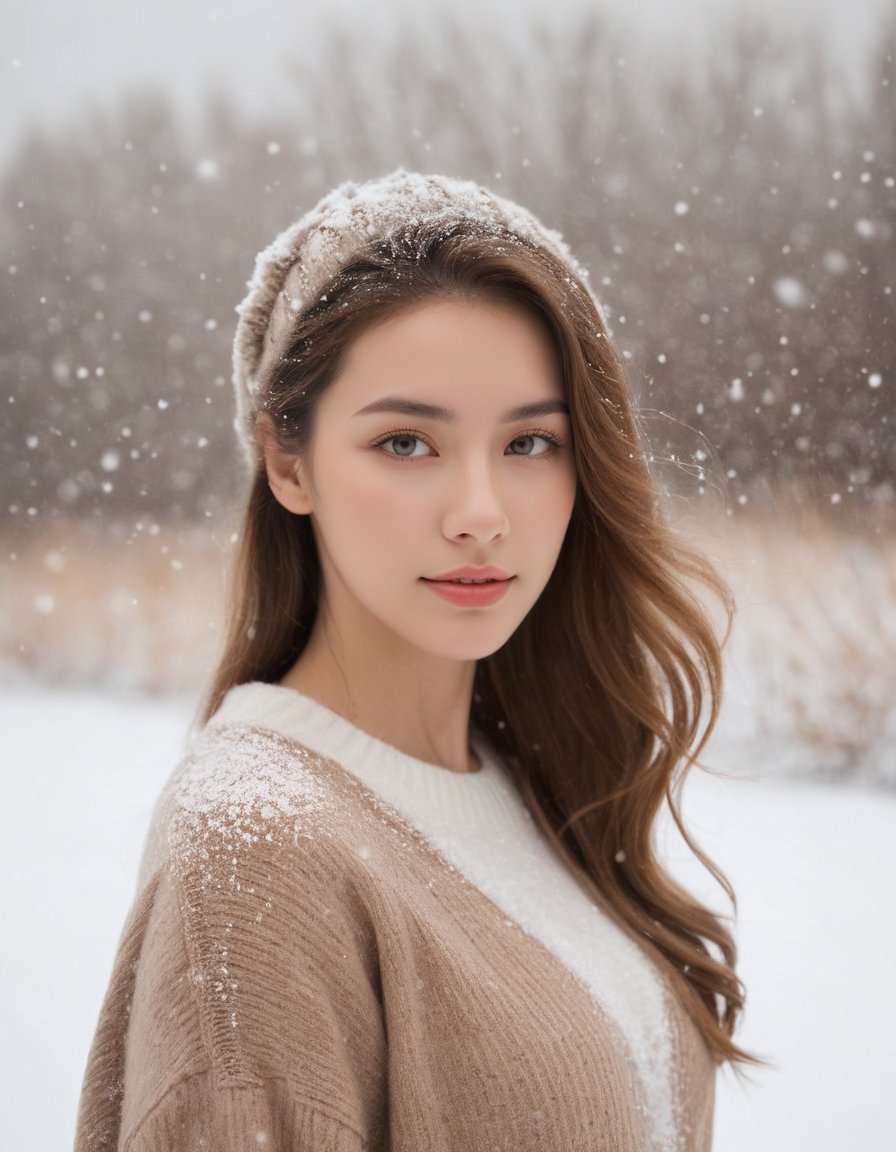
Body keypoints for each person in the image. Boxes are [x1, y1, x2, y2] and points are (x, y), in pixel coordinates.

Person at [75, 170, 754, 1152]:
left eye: (528, 442)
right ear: (288, 462)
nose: (478, 513)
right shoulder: (258, 855)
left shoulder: (530, 775)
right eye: (405, 442)